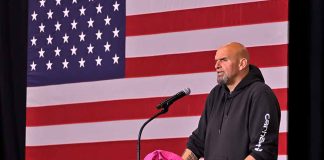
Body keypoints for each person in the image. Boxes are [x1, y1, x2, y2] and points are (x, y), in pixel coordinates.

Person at [181, 42, 281, 160]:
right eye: (216, 61)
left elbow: (262, 151)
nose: (216, 65)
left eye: (223, 60)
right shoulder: (215, 95)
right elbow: (197, 144)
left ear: (242, 64)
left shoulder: (260, 94)